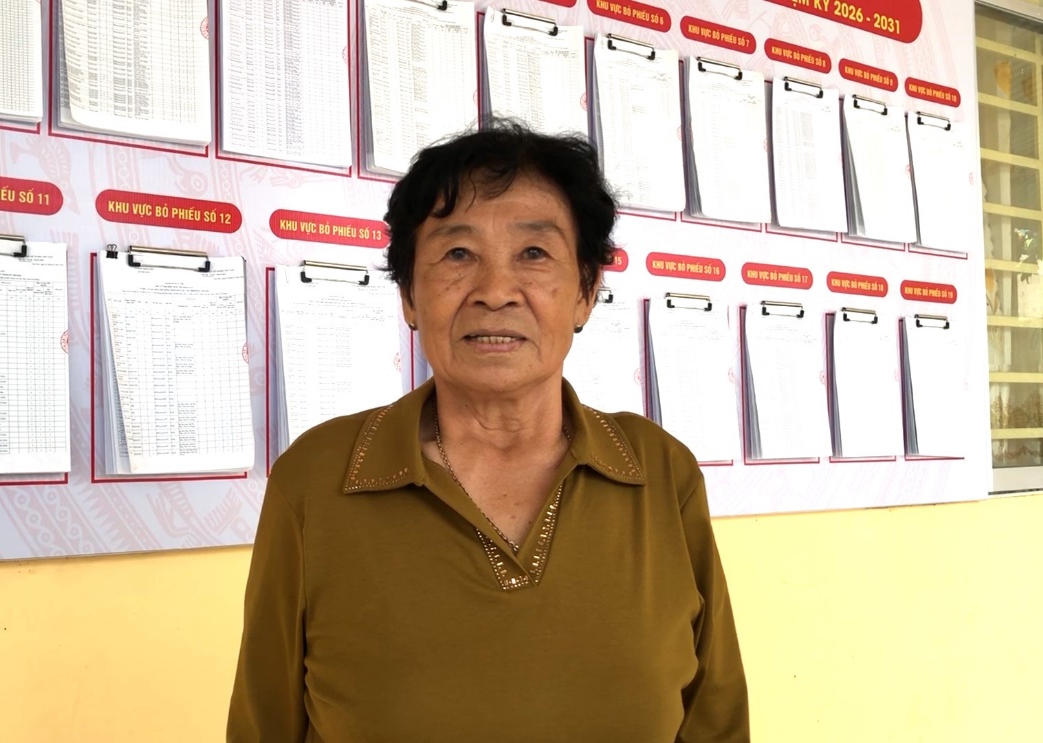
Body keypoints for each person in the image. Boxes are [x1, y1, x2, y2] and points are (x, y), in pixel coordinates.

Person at [228, 121, 749, 742]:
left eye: (534, 254)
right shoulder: (319, 477)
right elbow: (264, 725)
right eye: (458, 254)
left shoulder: (659, 471)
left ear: (585, 292)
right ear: (410, 295)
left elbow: (716, 722)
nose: (496, 292)